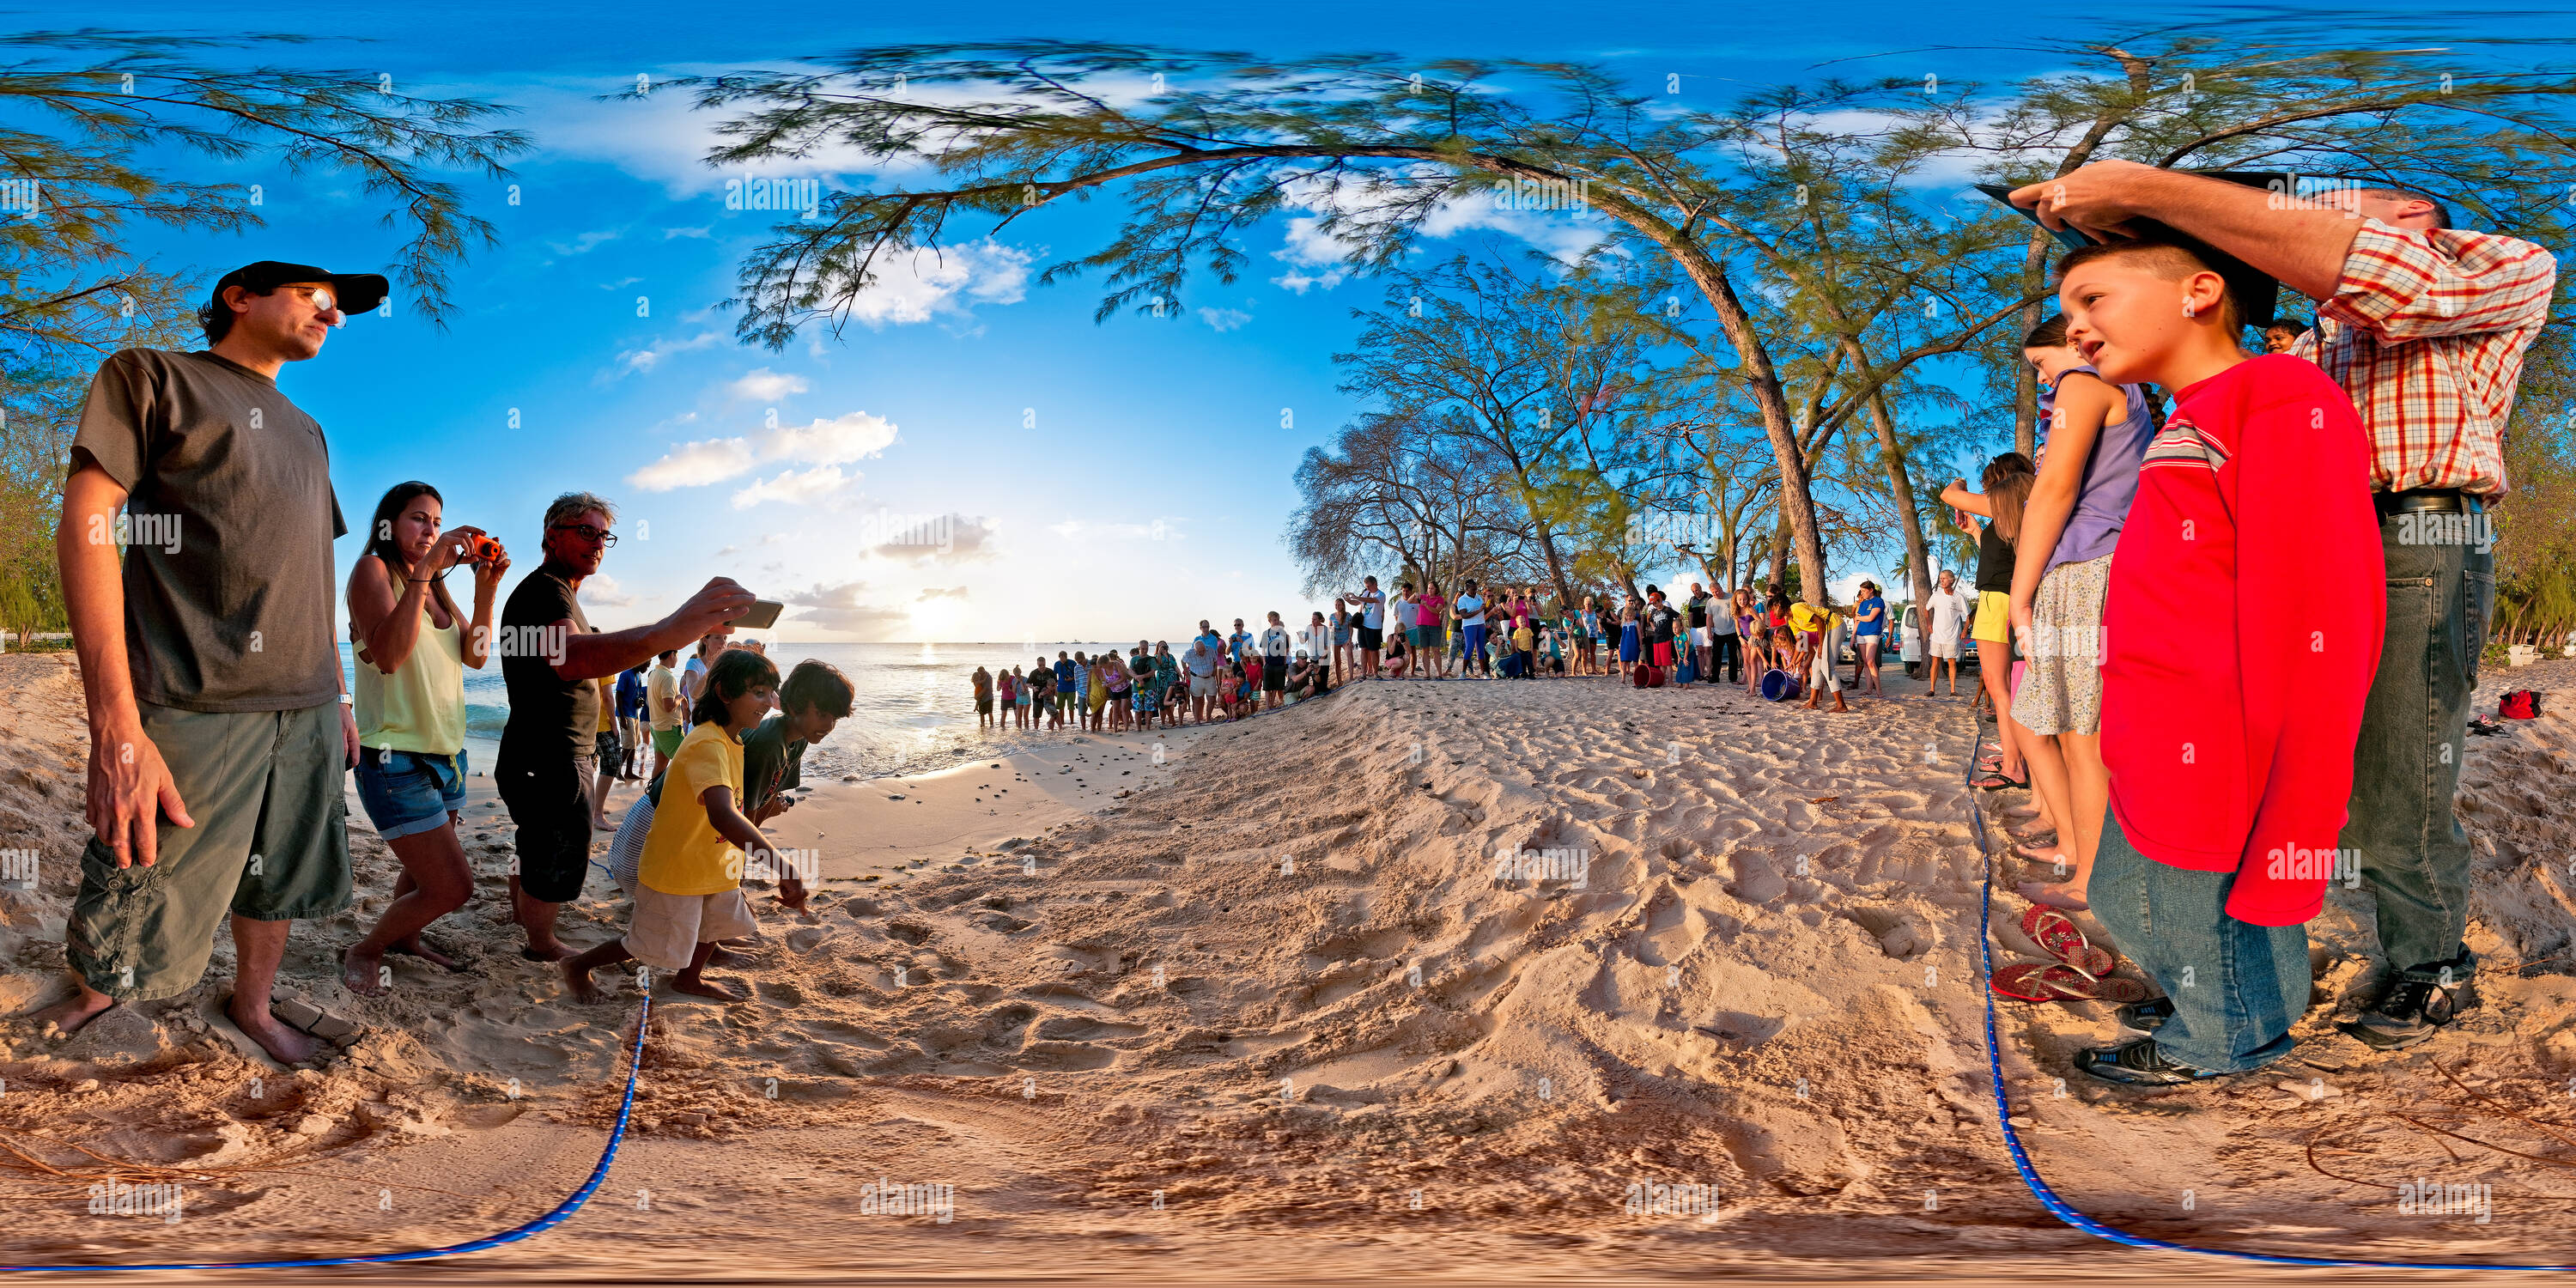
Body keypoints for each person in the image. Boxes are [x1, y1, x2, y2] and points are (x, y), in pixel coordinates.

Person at [2015, 164, 2555, 1053]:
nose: (2287, 220)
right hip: (2302, 528)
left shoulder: (2494, 264)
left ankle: (2429, 964)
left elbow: (2385, 277)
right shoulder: (2300, 350)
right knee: (2276, 776)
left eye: (2319, 207)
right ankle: (2245, 986)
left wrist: (2150, 190)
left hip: (2412, 532)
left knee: (2395, 776)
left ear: (2409, 211)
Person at [2041, 236, 2385, 1084]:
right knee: (2158, 886)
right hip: (2156, 709)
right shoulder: (2188, 413)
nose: (2078, 328)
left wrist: (2280, 728)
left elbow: (2318, 584)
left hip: (2214, 714)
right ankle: (2246, 1004)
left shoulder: (2275, 393)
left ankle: (2221, 1039)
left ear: (2199, 291)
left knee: (2169, 896)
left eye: (2095, 299)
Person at [37, 260, 387, 1064]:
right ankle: (90, 1003)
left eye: (338, 311)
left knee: (281, 882)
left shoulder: (308, 429)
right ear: (240, 296)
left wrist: (336, 695)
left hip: (304, 706)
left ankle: (254, 1007)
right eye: (314, 297)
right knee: (135, 880)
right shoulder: (153, 376)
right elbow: (90, 525)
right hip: (191, 694)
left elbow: (308, 574)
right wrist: (116, 725)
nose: (331, 317)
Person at [497, 492, 756, 962]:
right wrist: (674, 626)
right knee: (555, 849)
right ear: (552, 536)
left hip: (536, 749)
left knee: (534, 838)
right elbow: (570, 658)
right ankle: (540, 944)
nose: (597, 542)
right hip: (546, 752)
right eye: (585, 531)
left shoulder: (557, 594)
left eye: (604, 535)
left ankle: (522, 917)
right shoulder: (546, 591)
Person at [2002, 316, 2160, 910]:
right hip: (2101, 567)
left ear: (2069, 343)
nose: (2044, 379)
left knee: (2082, 735)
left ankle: (2090, 879)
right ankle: (2084, 860)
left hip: (2088, 571)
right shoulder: (2126, 392)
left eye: (2040, 365)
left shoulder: (2082, 381)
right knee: (2076, 729)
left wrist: (2022, 595)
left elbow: (2055, 490)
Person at [564, 648, 806, 1004]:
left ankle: (689, 979)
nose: (768, 702)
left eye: (771, 692)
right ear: (724, 692)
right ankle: (577, 966)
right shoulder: (707, 742)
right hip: (676, 869)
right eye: (757, 692)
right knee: (648, 944)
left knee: (715, 926)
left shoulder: (733, 740)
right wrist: (779, 863)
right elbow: (723, 813)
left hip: (711, 862)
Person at [339, 483, 505, 997]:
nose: (431, 530)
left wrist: (485, 589)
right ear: (389, 525)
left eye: (436, 521)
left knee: (420, 875)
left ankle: (405, 938)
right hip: (393, 754)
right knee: (453, 886)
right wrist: (425, 570)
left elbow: (476, 657)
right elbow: (390, 655)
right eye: (418, 519)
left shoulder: (436, 587)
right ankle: (365, 949)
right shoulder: (374, 570)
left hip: (448, 751)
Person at [1920, 569, 1972, 698]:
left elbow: (1969, 615)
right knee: (1935, 661)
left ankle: (1953, 690)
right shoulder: (1936, 595)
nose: (1941, 580)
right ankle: (1932, 689)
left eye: (1944, 578)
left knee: (1952, 662)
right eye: (1940, 578)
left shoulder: (1959, 597)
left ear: (1951, 580)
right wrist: (1928, 624)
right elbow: (1926, 610)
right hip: (1937, 635)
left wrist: (1965, 630)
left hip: (1953, 636)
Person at [647, 649, 684, 780]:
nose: (677, 659)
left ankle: (652, 796)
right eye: (677, 656)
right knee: (687, 762)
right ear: (672, 655)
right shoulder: (667, 677)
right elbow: (668, 706)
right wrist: (680, 698)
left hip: (657, 727)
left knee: (660, 766)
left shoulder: (654, 674)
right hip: (669, 729)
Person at [1344, 577, 1385, 680]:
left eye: (1368, 586)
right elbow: (1357, 603)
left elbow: (1372, 600)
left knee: (1374, 650)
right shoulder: (1366, 593)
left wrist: (1357, 597)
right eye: (1366, 587)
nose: (1367, 589)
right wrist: (1348, 599)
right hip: (1363, 626)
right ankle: (1363, 674)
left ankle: (1375, 673)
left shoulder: (1381, 595)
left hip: (1374, 627)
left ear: (1375, 584)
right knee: (1363, 649)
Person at [1850, 581, 1886, 696]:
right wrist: (1852, 636)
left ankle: (1879, 691)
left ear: (1871, 590)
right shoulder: (1863, 603)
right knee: (1865, 662)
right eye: (1861, 591)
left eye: (1864, 591)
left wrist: (1860, 618)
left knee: (1871, 661)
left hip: (1872, 633)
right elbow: (1857, 620)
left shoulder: (1878, 601)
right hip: (1861, 633)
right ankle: (1869, 689)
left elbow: (1871, 618)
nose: (1862, 593)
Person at [616, 662, 648, 781]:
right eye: (646, 665)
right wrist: (622, 716)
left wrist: (640, 702)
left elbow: (637, 695)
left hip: (635, 713)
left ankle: (629, 772)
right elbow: (618, 695)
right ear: (641, 662)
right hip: (625, 714)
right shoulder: (625, 674)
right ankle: (617, 770)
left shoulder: (638, 675)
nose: (647, 668)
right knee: (628, 744)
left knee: (634, 743)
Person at [1330, 598, 1352, 681]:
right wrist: (1332, 629)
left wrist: (1350, 639)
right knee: (1337, 661)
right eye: (1336, 605)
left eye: (1339, 604)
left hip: (1345, 639)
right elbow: (1329, 628)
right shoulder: (1332, 616)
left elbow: (1351, 628)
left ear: (1343, 605)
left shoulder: (1348, 615)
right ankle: (1339, 681)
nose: (1337, 606)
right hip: (1335, 640)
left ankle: (1351, 677)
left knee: (1349, 654)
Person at [972, 665, 994, 729]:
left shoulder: (989, 677)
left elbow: (985, 689)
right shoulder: (979, 678)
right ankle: (982, 726)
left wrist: (977, 696)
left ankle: (992, 726)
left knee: (990, 712)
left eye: (982, 673)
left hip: (988, 698)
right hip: (981, 698)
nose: (981, 675)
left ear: (984, 670)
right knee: (981, 714)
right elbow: (979, 689)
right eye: (980, 673)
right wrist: (977, 697)